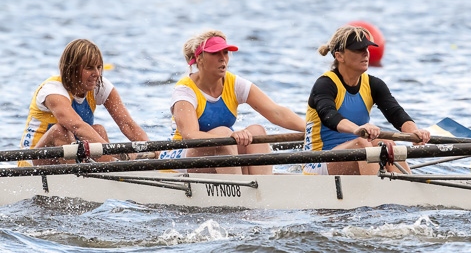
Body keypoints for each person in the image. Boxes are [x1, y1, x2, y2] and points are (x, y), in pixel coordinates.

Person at [170, 30, 305, 174]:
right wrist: (227, 137)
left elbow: (277, 112)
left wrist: (311, 130)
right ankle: (240, 190)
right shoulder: (185, 91)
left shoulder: (234, 83)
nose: (222, 58)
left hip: (221, 152)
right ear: (199, 59)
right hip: (182, 158)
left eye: (225, 52)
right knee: (223, 134)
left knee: (257, 132)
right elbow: (190, 135)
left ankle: (263, 187)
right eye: (215, 53)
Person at [303, 25, 431, 175]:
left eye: (367, 48)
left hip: (354, 156)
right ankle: (377, 195)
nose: (366, 53)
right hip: (317, 162)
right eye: (358, 49)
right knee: (361, 143)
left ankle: (410, 192)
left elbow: (396, 113)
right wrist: (357, 129)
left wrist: (415, 134)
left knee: (387, 143)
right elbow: (329, 116)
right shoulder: (325, 85)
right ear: (339, 56)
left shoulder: (373, 84)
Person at [20, 39, 150, 165]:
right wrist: (117, 153)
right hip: (33, 163)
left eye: (99, 67)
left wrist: (154, 151)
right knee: (60, 131)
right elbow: (77, 126)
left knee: (99, 130)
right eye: (89, 68)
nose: (97, 74)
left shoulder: (100, 86)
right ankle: (83, 177)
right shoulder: (52, 91)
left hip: (73, 157)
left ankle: (111, 173)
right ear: (72, 68)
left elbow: (127, 124)